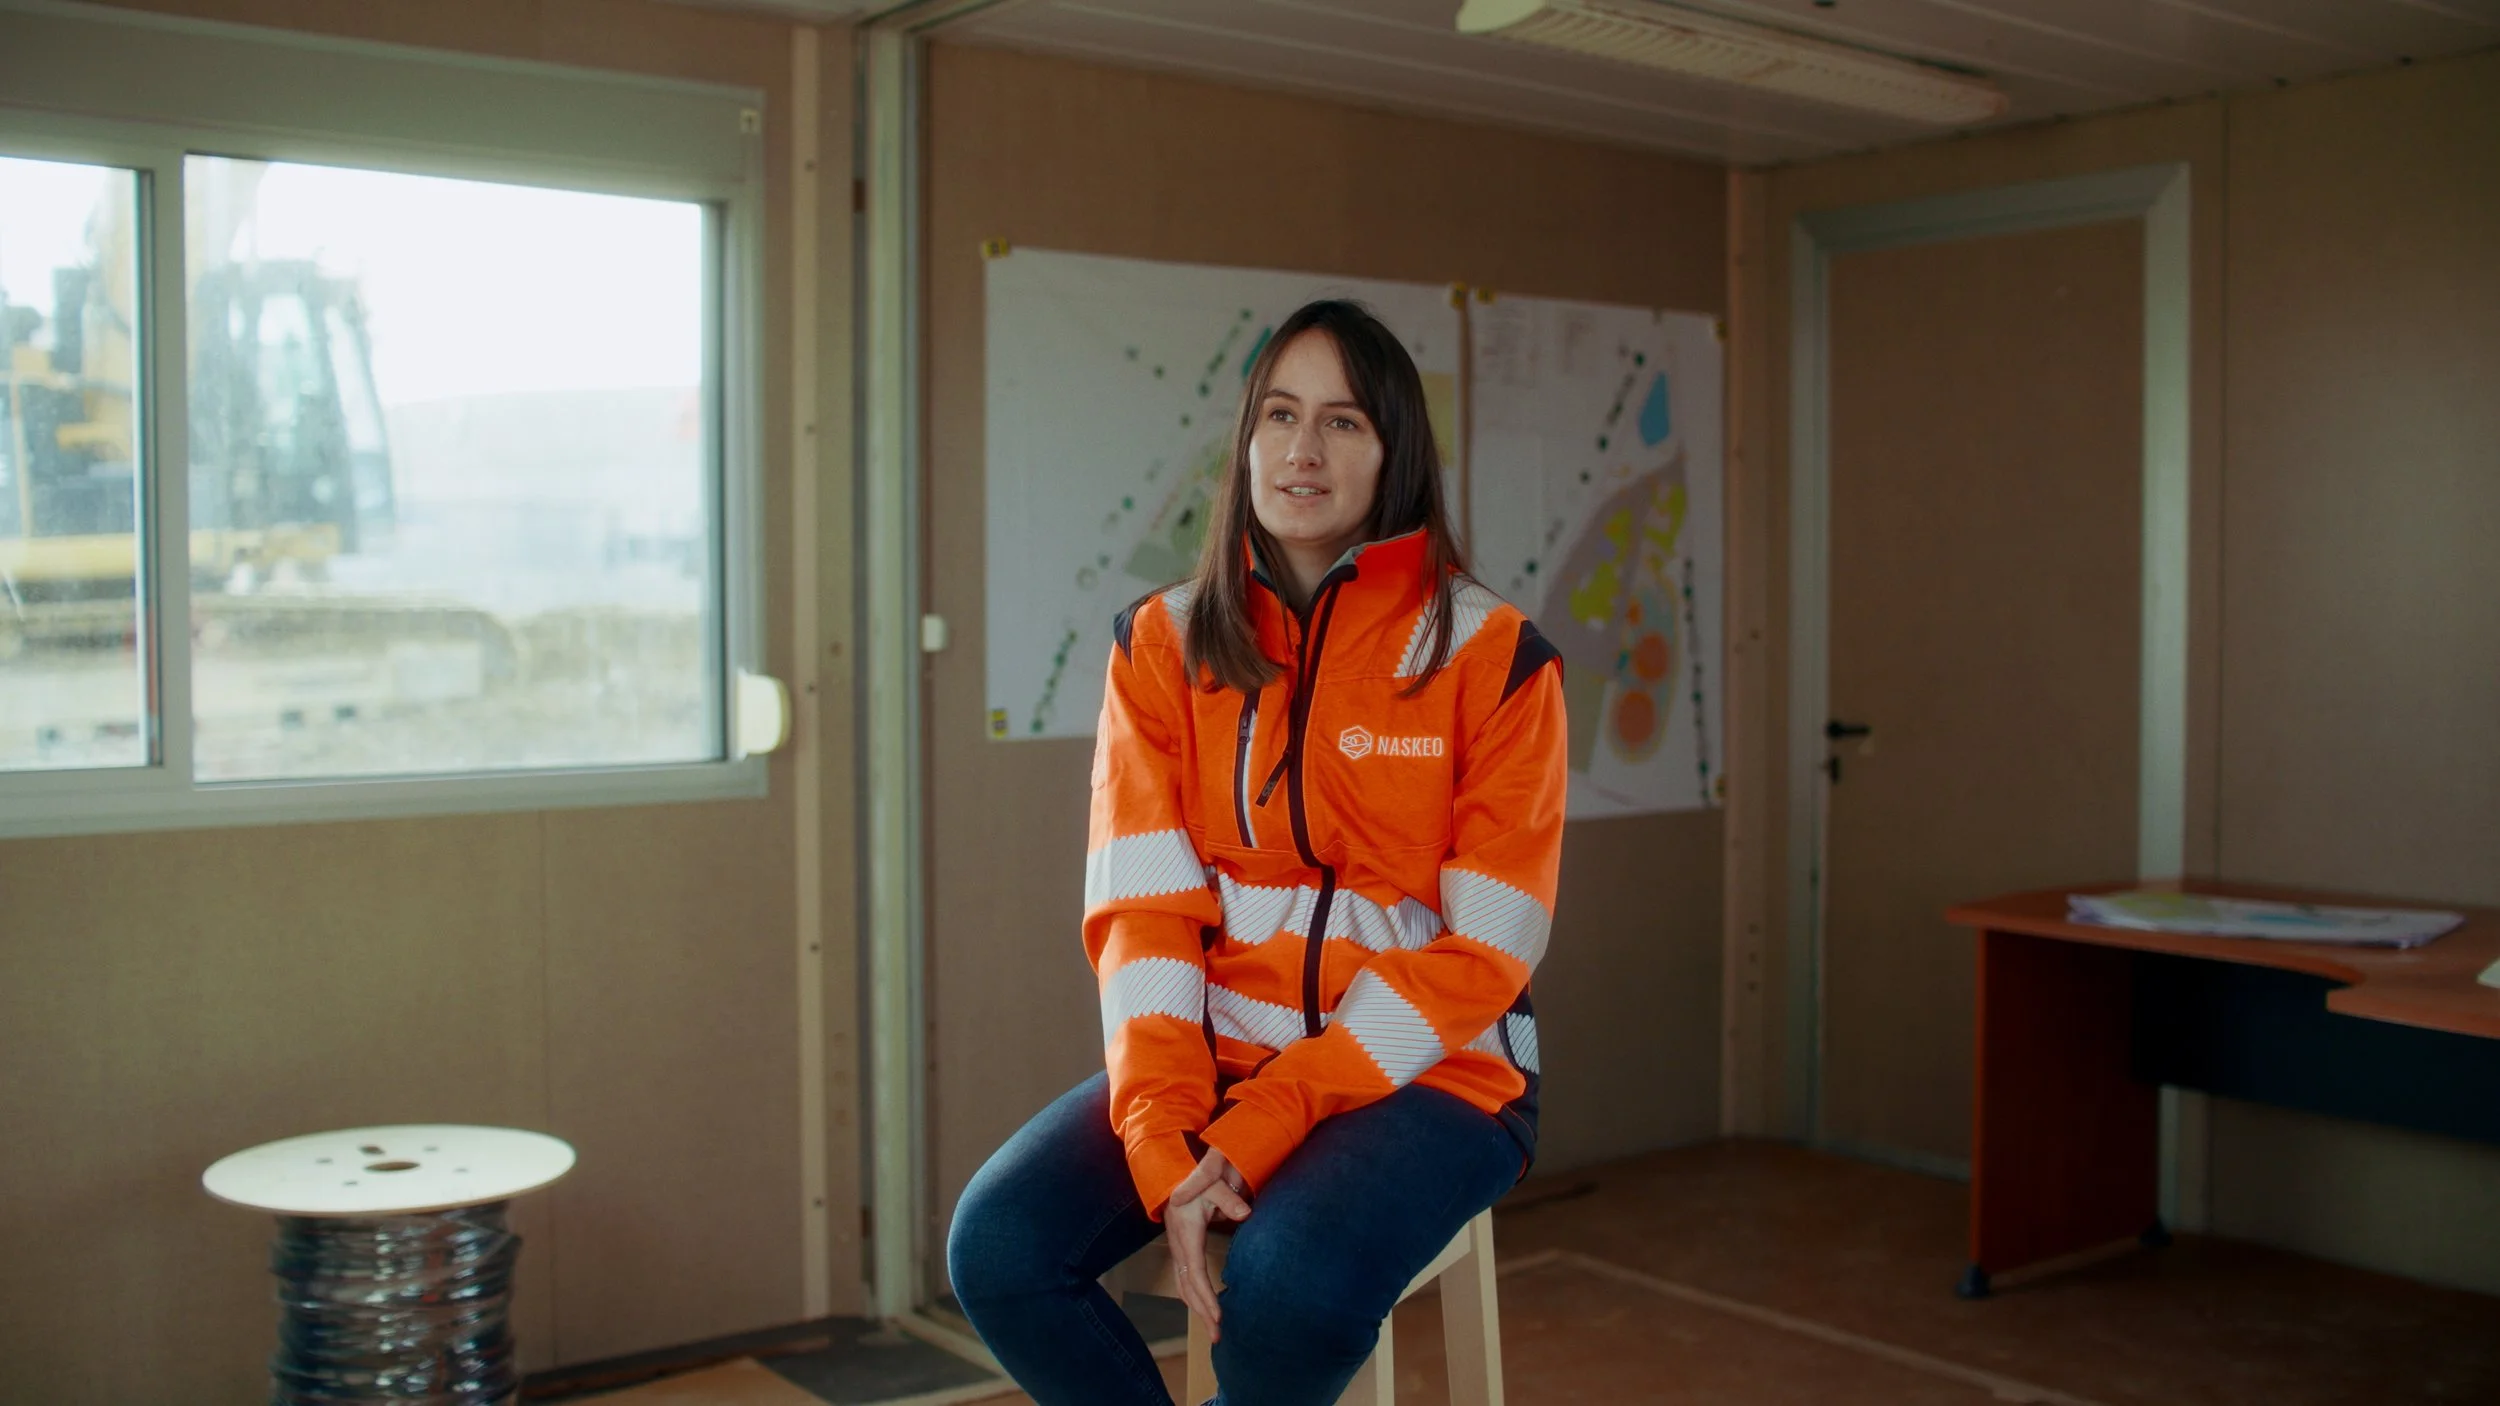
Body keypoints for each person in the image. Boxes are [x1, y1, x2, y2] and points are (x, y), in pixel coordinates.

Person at [947, 299, 1568, 1406]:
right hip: (1219, 1051)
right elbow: (1144, 916)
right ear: (1245, 441)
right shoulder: (1161, 643)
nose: (1302, 449)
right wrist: (1162, 1136)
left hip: (1434, 1075)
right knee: (1000, 1246)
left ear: (1395, 452)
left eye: (1342, 421)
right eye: (1279, 415)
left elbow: (1487, 949)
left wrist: (1272, 1114)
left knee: (1284, 1286)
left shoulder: (1496, 657)